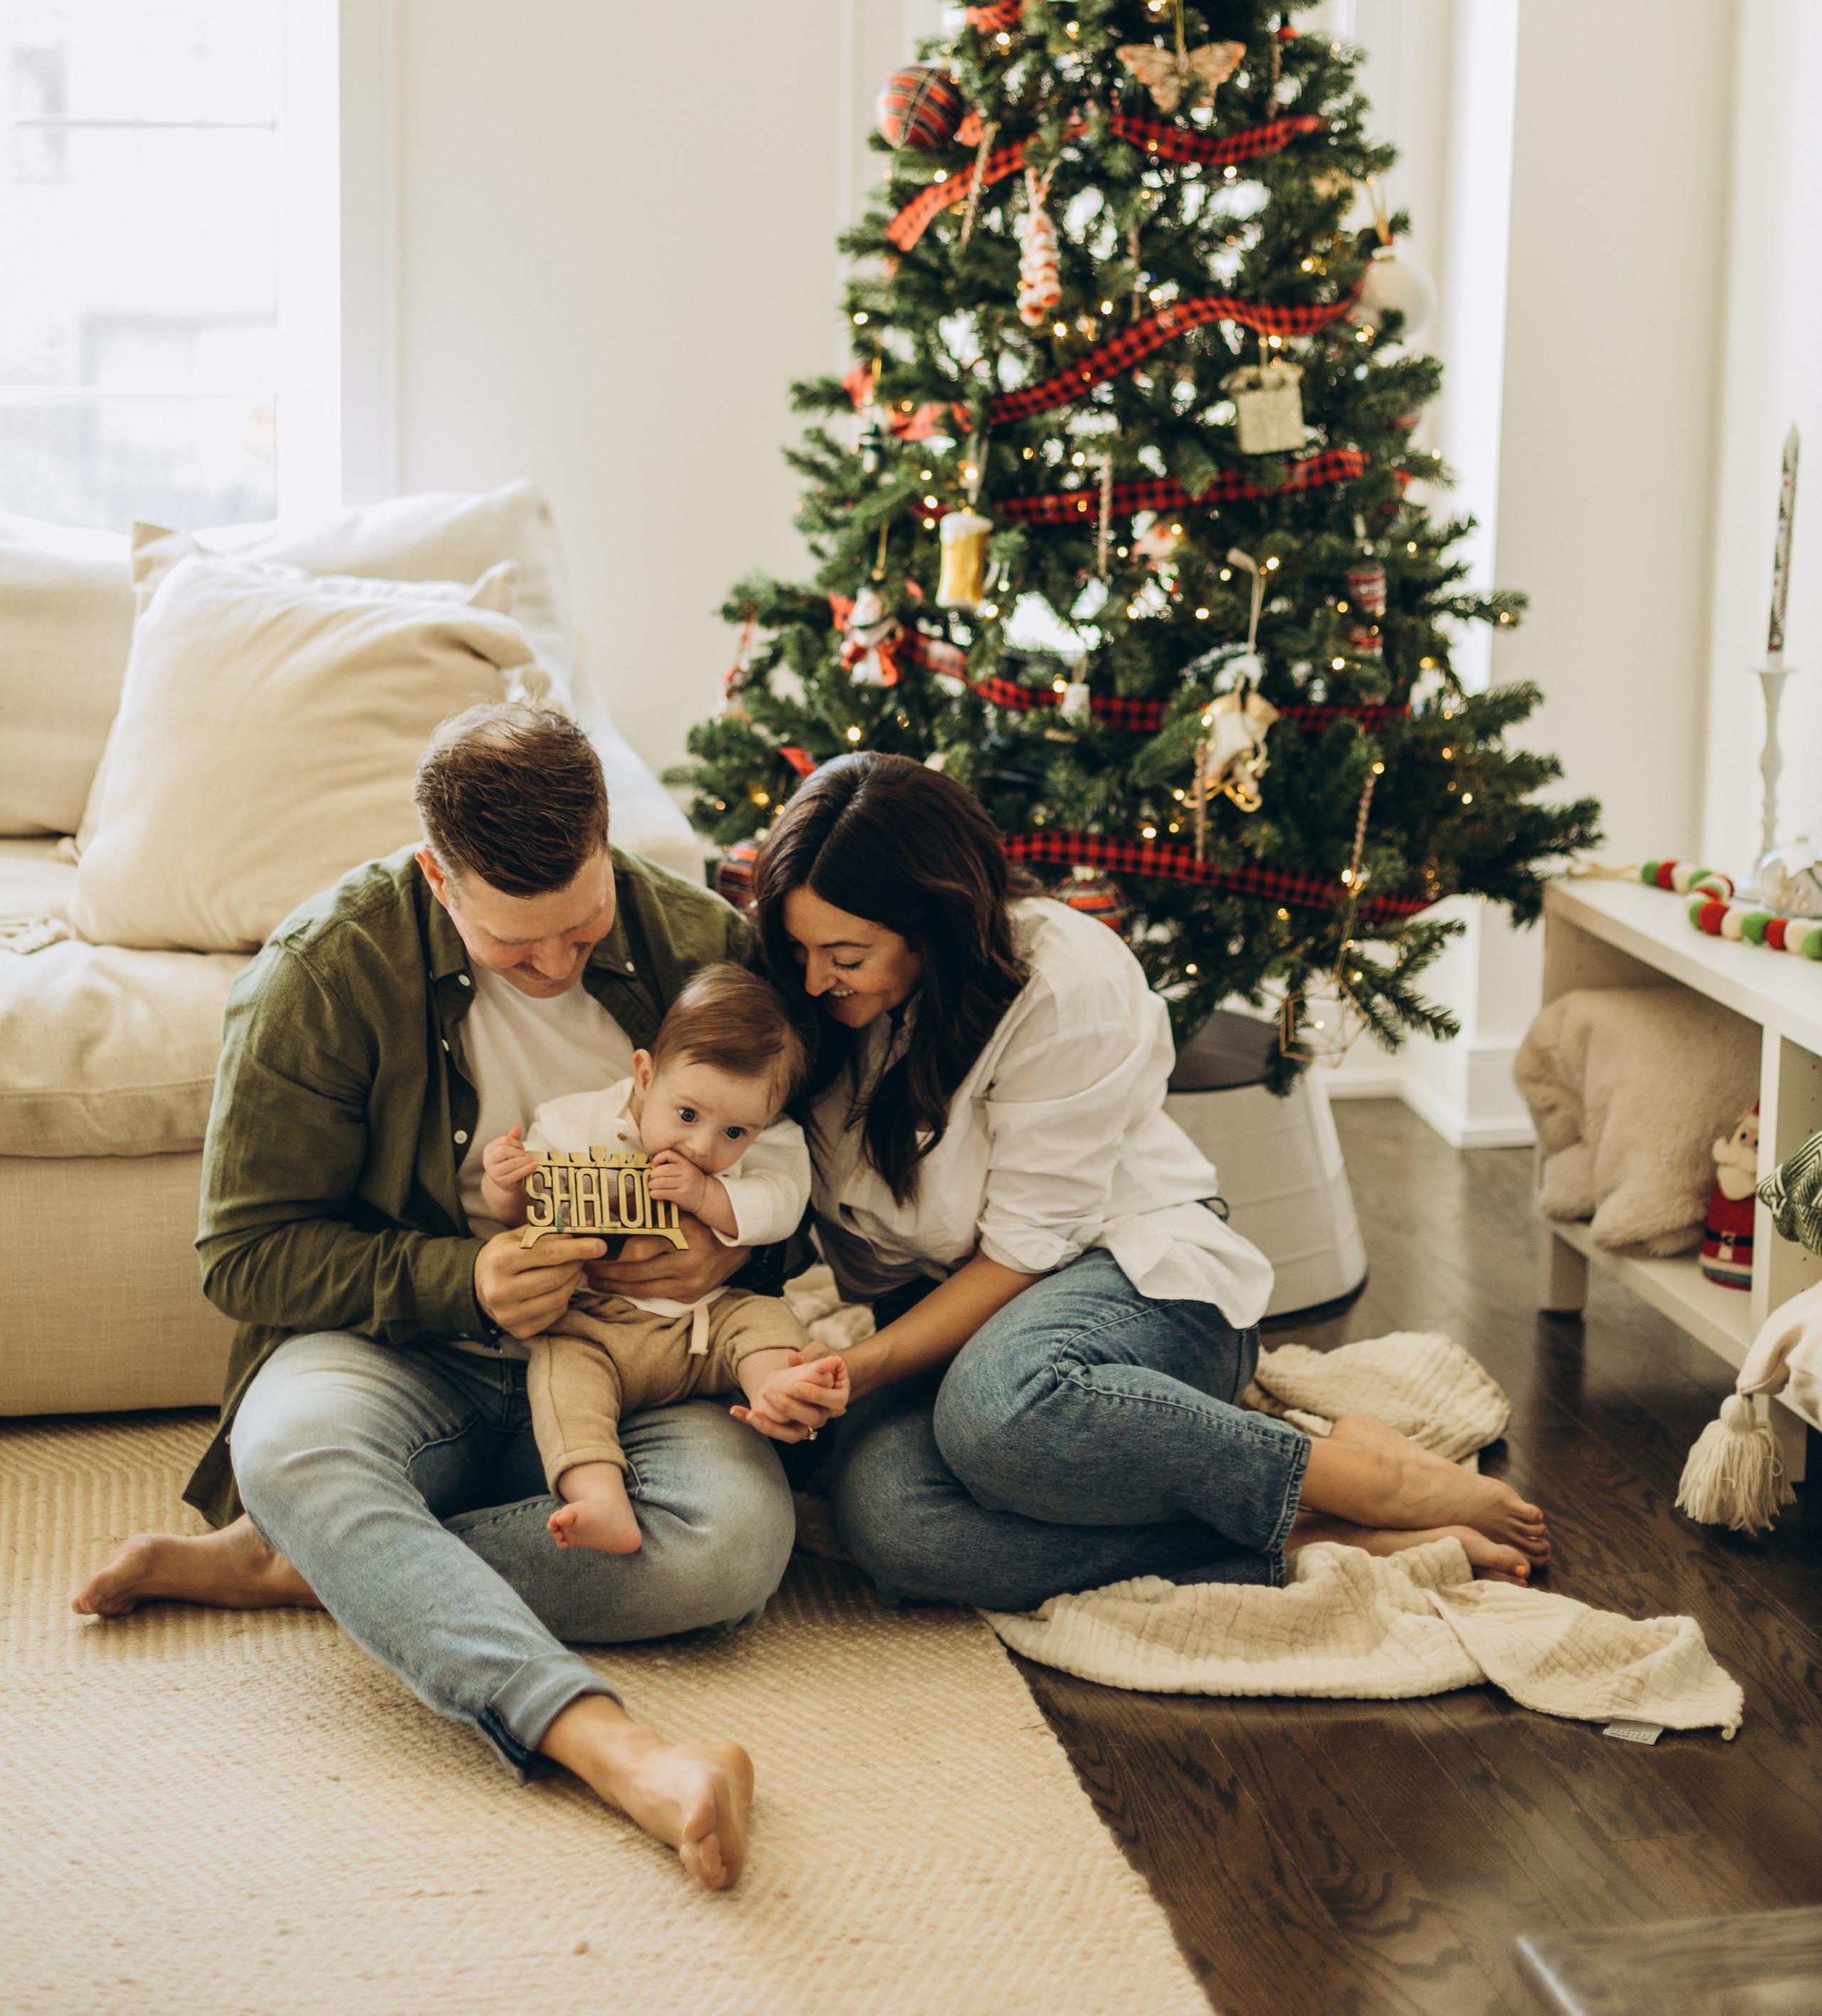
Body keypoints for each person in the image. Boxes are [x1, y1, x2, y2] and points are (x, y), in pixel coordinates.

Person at [73, 705, 826, 1891]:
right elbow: (245, 1253)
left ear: (604, 841)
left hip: (640, 1356)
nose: (558, 965)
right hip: (409, 1350)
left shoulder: (701, 949)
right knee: (297, 1448)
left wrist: (726, 1261)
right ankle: (617, 1752)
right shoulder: (326, 971)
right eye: (517, 947)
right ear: (438, 875)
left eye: (581, 928)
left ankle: (312, 1563)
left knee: (729, 1552)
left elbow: (805, 1184)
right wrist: (461, 1277)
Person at [747, 753, 1552, 1601]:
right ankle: (1312, 1522)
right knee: (896, 1526)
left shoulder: (1061, 980)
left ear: (935, 924)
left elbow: (1024, 1252)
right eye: (797, 947)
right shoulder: (813, 999)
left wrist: (858, 1369)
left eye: (844, 952)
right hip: (944, 1314)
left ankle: (1364, 1484)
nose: (812, 978)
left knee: (996, 1413)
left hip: (1132, 1282)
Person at [480, 962, 848, 1554]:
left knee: (766, 1322)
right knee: (558, 1381)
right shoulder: (573, 1122)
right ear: (645, 1075)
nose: (704, 1146)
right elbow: (528, 1215)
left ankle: (777, 1393)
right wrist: (505, 1184)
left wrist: (709, 1196)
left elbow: (783, 1206)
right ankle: (600, 1498)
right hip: (595, 1327)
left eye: (735, 1134)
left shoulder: (773, 1140)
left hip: (705, 1325)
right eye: (687, 1116)